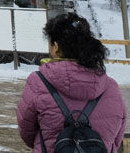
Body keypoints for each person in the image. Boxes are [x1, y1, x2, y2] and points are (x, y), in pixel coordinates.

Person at [17, 12, 126, 152]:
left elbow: (27, 132)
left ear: (56, 47)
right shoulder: (111, 87)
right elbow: (116, 140)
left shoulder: (38, 82)